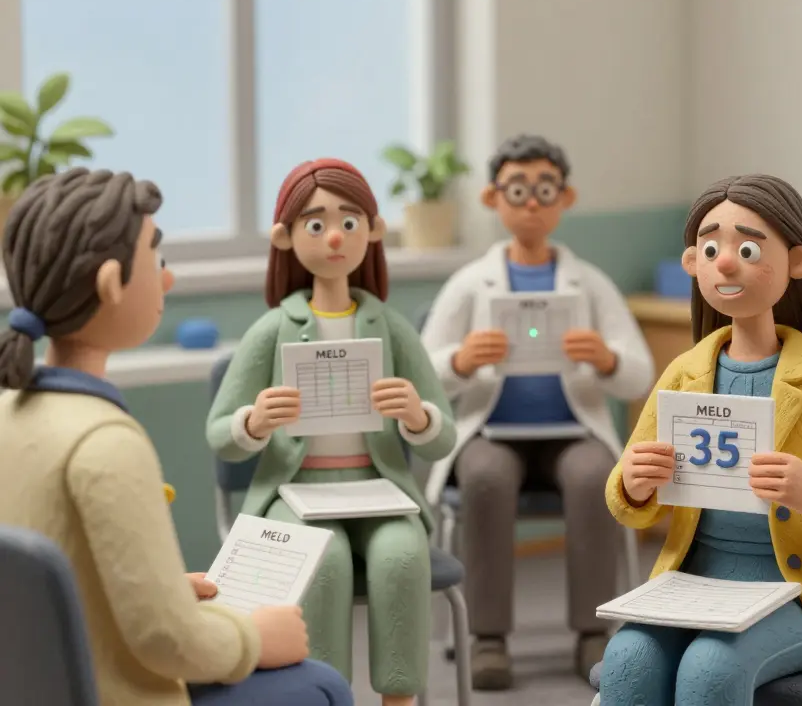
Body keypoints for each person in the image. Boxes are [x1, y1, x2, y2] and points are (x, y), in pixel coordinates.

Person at [0, 168, 352, 706]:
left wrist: (158, 589)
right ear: (112, 283)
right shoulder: (105, 443)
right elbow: (165, 641)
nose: (167, 281)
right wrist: (255, 639)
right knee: (322, 685)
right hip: (117, 691)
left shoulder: (10, 412)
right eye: (156, 260)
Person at [599, 174, 802, 705]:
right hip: (693, 584)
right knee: (628, 658)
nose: (725, 263)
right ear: (692, 262)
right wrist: (634, 483)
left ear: (799, 262)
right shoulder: (683, 372)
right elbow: (626, 504)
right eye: (710, 247)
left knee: (712, 666)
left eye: (746, 248)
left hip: (800, 592)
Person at [206, 158, 456, 705]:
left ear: (373, 229)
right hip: (293, 493)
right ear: (285, 237)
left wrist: (417, 415)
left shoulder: (388, 326)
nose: (335, 238)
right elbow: (220, 433)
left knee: (402, 555)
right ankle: (324, 695)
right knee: (324, 559)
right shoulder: (272, 330)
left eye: (348, 221)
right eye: (315, 225)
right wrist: (253, 420)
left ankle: (400, 698)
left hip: (379, 488)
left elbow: (443, 437)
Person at [422, 134, 654, 688]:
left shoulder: (591, 284)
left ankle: (593, 633)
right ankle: (488, 636)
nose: (531, 202)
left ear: (564, 198)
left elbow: (639, 373)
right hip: (491, 431)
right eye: (518, 189)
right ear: (491, 198)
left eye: (544, 189)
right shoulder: (468, 285)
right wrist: (459, 358)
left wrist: (604, 358)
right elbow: (421, 372)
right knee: (483, 479)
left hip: (573, 432)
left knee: (596, 476)